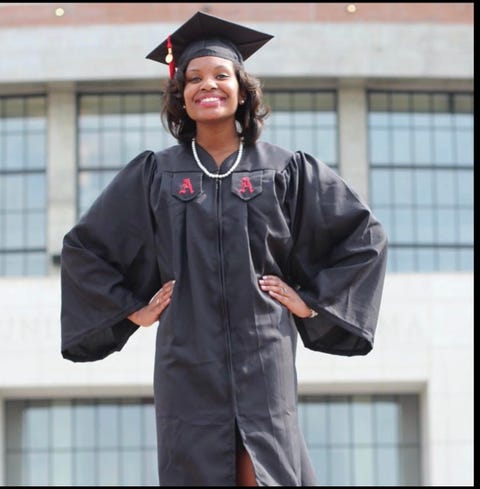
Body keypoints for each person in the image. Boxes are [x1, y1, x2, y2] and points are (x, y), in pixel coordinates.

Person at [60, 10, 388, 487]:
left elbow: (363, 237)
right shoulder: (156, 174)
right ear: (181, 96)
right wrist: (134, 311)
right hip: (186, 357)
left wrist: (309, 303)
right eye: (193, 78)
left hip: (264, 349)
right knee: (197, 466)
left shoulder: (286, 170)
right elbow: (84, 249)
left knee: (264, 469)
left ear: (242, 90)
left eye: (220, 75)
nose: (206, 86)